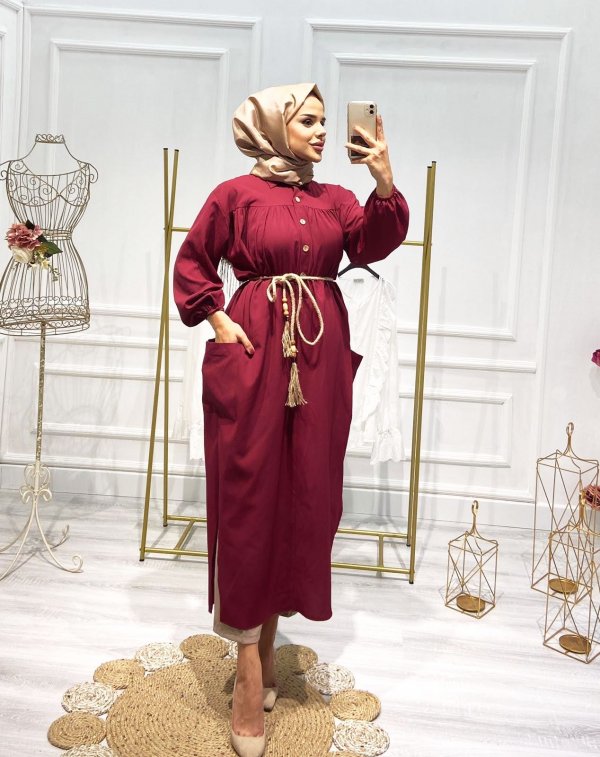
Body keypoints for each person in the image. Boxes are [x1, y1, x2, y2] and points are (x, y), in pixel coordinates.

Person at [173, 82, 409, 757]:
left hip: (321, 362)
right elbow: (193, 264)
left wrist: (382, 179)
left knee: (307, 499)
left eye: (326, 121)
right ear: (275, 126)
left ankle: (270, 644)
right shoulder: (234, 195)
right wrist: (219, 320)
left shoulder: (335, 199)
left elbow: (373, 243)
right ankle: (248, 670)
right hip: (253, 354)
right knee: (250, 499)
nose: (323, 131)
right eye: (308, 121)